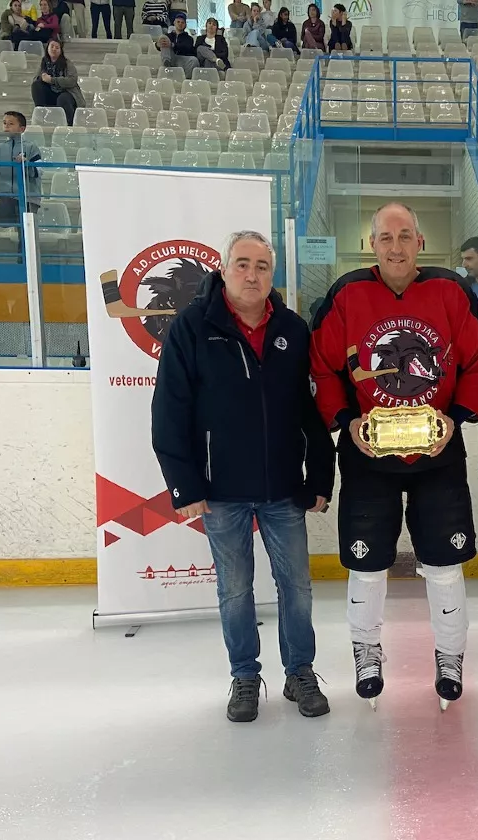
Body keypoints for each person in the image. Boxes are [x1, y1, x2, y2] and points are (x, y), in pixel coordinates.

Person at [309, 202, 478, 712]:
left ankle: (450, 655)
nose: (395, 247)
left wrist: (455, 418)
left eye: (405, 236)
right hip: (367, 457)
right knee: (366, 565)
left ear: (420, 242)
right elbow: (323, 369)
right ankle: (367, 652)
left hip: (437, 455)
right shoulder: (347, 294)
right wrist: (347, 422)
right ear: (372, 244)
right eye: (386, 238)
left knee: (444, 564)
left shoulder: (450, 291)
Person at [152, 230, 335, 724]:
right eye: (242, 264)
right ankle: (245, 676)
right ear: (223, 268)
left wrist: (320, 475)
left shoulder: (293, 329)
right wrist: (184, 484)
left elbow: (312, 410)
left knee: (297, 587)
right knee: (235, 591)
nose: (252, 275)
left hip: (283, 488)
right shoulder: (192, 327)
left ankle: (300, 672)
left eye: (262, 266)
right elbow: (169, 411)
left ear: (272, 274)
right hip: (221, 491)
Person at [0, 110, 42, 228]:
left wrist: (26, 165)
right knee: (5, 224)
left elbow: (39, 171)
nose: (6, 126)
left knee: (26, 230)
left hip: (27, 197)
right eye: (4, 123)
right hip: (6, 196)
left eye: (11, 124)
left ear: (22, 129)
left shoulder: (31, 147)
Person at [31, 37, 85, 126]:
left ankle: (69, 124)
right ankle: (41, 115)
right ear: (47, 48)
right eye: (52, 46)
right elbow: (35, 78)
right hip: (51, 92)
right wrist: (42, 78)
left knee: (63, 98)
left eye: (57, 47)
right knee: (36, 85)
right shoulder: (44, 62)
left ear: (60, 51)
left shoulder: (67, 63)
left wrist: (52, 80)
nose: (54, 49)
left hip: (66, 92)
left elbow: (72, 80)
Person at [157, 12, 197, 77]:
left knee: (194, 60)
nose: (180, 24)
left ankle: (186, 79)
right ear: (174, 23)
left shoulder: (189, 38)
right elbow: (159, 45)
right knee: (164, 38)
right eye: (178, 22)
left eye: (182, 22)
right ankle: (166, 62)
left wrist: (172, 45)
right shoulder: (168, 36)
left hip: (182, 59)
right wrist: (157, 45)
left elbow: (187, 47)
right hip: (170, 57)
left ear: (185, 25)